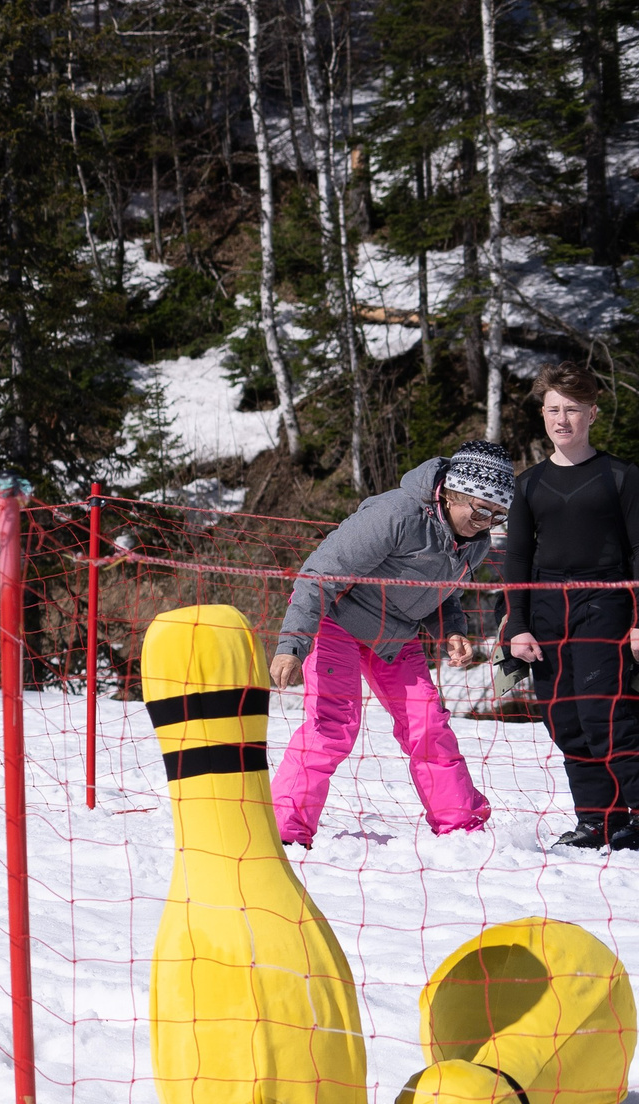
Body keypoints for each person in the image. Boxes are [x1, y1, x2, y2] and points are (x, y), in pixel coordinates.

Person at [267, 442, 514, 848]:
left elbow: (444, 591)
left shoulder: (477, 540)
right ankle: (285, 829)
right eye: (480, 509)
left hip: (396, 637)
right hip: (338, 622)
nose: (486, 522)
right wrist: (291, 643)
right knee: (333, 727)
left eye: (498, 514)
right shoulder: (396, 514)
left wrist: (452, 629)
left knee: (429, 724)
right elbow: (319, 574)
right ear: (452, 493)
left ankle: (460, 827)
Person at [503, 364, 639, 850]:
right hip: (545, 611)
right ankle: (597, 820)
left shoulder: (621, 476)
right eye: (554, 409)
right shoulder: (528, 484)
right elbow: (517, 556)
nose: (563, 420)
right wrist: (517, 624)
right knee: (564, 720)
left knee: (607, 714)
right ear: (542, 414)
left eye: (573, 410)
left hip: (605, 603)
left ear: (592, 414)